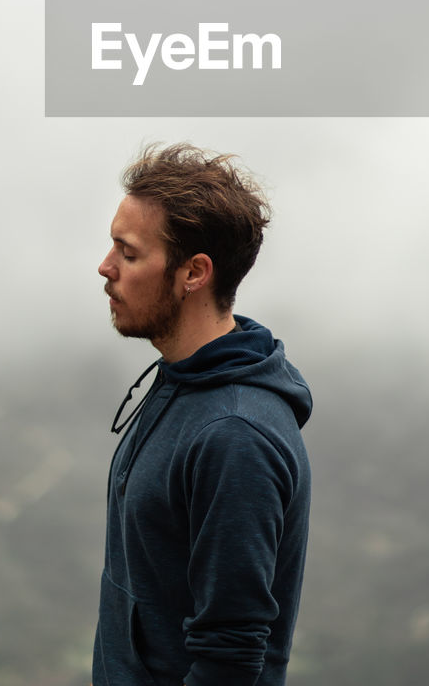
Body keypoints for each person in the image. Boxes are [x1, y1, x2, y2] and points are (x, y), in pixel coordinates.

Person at [92, 143, 312, 686]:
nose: (106, 267)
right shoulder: (180, 377)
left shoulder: (235, 436)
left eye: (129, 253)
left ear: (194, 273)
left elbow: (230, 658)